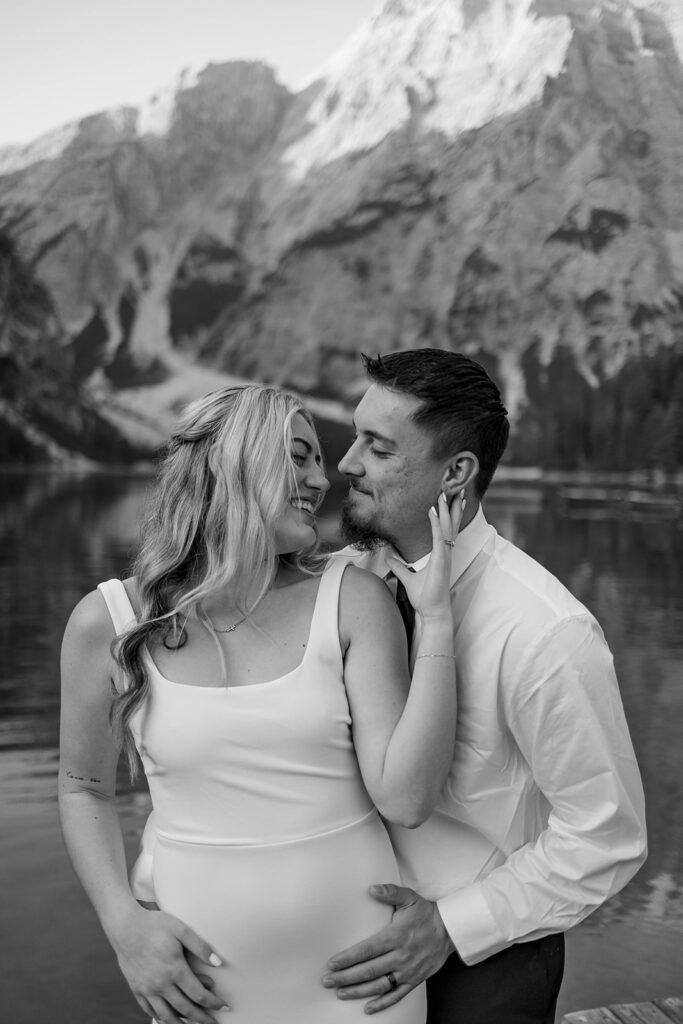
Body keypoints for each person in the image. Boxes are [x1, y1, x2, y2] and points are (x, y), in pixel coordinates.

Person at [58, 383, 465, 1024]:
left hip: (362, 982)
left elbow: (407, 798)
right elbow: (83, 787)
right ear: (235, 464)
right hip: (199, 990)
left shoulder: (352, 598)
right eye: (299, 457)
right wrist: (122, 924)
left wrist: (436, 620)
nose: (322, 479)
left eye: (317, 461)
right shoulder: (107, 622)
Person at [321, 349, 647, 1024]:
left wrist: (450, 926)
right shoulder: (337, 584)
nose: (345, 463)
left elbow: (604, 837)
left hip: (483, 969)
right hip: (341, 950)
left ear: (455, 475)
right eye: (355, 437)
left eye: (377, 448)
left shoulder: (546, 633)